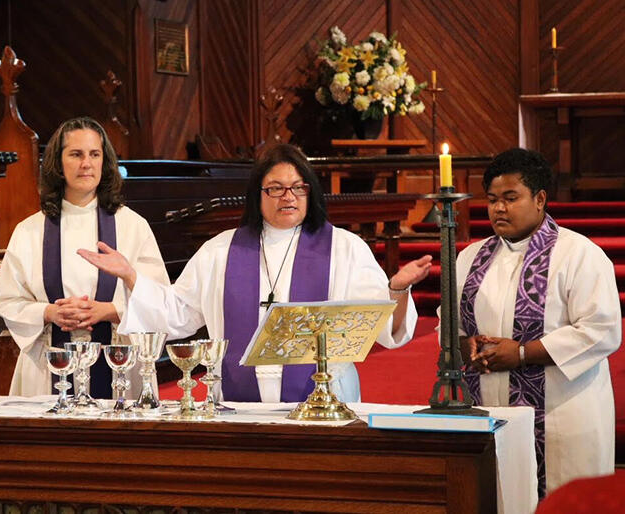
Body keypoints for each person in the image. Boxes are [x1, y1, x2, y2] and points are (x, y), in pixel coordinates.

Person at [78, 143, 432, 403]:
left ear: (310, 192)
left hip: (325, 404)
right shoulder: (221, 250)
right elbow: (177, 311)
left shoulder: (344, 248)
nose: (287, 197)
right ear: (257, 195)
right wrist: (131, 277)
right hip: (237, 402)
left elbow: (381, 327)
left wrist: (397, 291)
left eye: (298, 187)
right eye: (275, 188)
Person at [453, 148, 621, 497]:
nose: (499, 208)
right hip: (488, 409)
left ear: (540, 198)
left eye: (511, 198)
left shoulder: (579, 254)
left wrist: (525, 354)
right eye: (493, 199)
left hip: (562, 414)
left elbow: (601, 330)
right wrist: (462, 343)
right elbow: (450, 323)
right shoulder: (471, 257)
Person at [0, 117, 169, 398]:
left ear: (104, 162)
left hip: (117, 361)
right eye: (76, 154)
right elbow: (7, 301)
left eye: (94, 154)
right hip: (48, 360)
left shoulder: (133, 226)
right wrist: (51, 312)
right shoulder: (29, 231)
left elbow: (159, 300)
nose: (86, 163)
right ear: (58, 165)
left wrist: (107, 311)